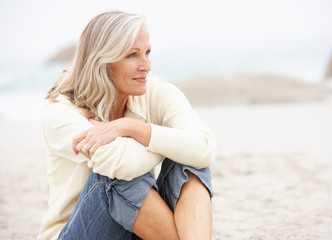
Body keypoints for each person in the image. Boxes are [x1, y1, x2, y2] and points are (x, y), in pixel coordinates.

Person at [38, 10, 217, 240]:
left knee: (190, 163)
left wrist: (132, 128)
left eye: (147, 52)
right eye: (133, 55)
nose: (146, 65)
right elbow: (121, 164)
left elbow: (205, 148)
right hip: (76, 233)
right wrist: (166, 144)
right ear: (102, 61)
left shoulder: (157, 94)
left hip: (134, 231)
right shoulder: (61, 111)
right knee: (115, 173)